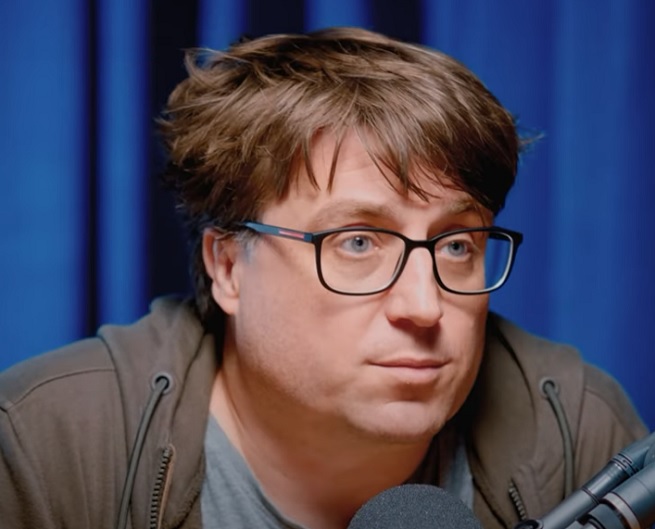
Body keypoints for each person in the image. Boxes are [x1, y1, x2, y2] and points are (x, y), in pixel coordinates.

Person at [0, 27, 647, 529]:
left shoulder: (576, 431)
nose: (424, 306)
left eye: (455, 245)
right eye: (357, 241)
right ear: (228, 266)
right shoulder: (49, 445)